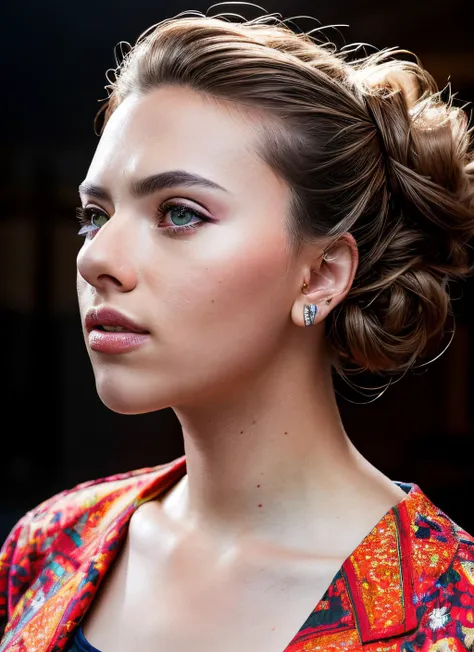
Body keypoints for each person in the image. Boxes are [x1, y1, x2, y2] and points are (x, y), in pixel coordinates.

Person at [1, 6, 474, 652]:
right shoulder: (48, 545)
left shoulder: (449, 613)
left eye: (180, 213)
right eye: (94, 214)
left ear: (321, 275)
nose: (95, 259)